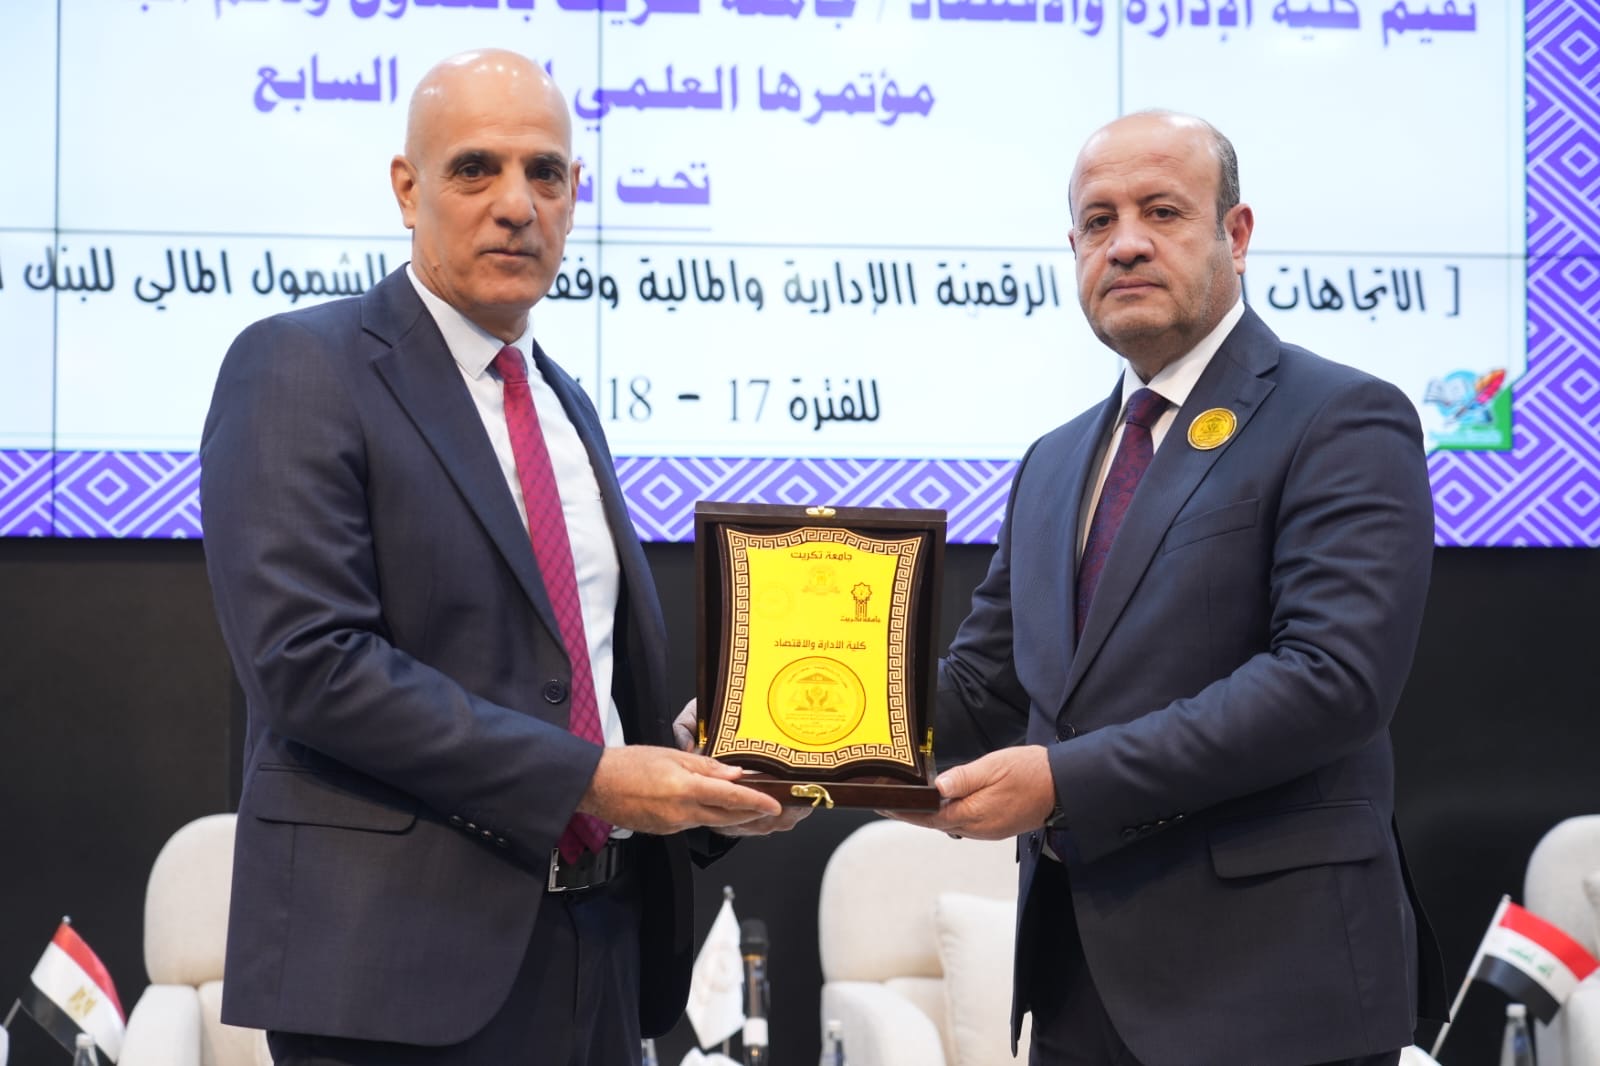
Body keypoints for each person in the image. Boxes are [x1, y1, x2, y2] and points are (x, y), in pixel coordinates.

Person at [200, 49, 800, 1066]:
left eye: (545, 173)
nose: (516, 205)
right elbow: (311, 664)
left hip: (600, 956)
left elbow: (575, 679)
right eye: (476, 168)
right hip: (393, 981)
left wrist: (696, 767)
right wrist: (591, 778)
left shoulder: (566, 404)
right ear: (408, 189)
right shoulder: (301, 363)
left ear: (574, 195)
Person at [894, 111, 1446, 1065]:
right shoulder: (1054, 462)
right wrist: (787, 741)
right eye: (1098, 221)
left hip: (1278, 995)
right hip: (1078, 992)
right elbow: (986, 690)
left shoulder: (1343, 417)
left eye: (1162, 211)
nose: (1126, 243)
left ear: (1236, 233)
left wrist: (1061, 783)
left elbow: (1330, 682)